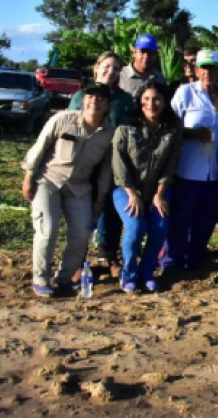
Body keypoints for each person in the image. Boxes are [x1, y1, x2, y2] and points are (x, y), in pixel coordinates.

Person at [22, 84, 115, 297]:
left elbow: (105, 171)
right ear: (83, 100)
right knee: (48, 230)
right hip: (48, 181)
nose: (95, 102)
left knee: (82, 234)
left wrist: (100, 198)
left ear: (107, 105)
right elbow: (40, 146)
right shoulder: (62, 119)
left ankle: (65, 278)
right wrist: (28, 177)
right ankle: (41, 277)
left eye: (101, 99)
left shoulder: (109, 134)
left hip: (79, 187)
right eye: (90, 97)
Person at [163, 49, 218, 272]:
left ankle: (196, 256)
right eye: (203, 67)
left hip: (214, 171)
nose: (207, 72)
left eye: (212, 67)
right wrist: (192, 133)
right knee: (181, 216)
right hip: (188, 169)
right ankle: (172, 259)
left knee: (207, 217)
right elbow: (169, 126)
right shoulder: (185, 93)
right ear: (196, 70)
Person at [67, 52, 134, 277]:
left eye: (116, 68)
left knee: (110, 210)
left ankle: (109, 255)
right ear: (96, 67)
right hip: (85, 163)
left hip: (113, 162)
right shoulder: (80, 97)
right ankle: (77, 259)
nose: (110, 72)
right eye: (106, 66)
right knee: (81, 211)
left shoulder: (124, 100)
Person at [112, 81, 182, 293]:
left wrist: (159, 194)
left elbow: (171, 163)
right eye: (147, 99)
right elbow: (119, 164)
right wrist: (132, 194)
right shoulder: (126, 127)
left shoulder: (173, 128)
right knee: (135, 227)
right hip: (125, 189)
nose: (152, 103)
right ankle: (129, 273)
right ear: (140, 101)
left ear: (164, 102)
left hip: (157, 190)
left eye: (157, 99)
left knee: (160, 228)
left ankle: (147, 271)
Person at [118, 34, 167, 98]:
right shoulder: (120, 75)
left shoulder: (160, 79)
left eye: (150, 53)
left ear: (156, 55)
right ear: (134, 53)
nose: (146, 56)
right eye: (142, 52)